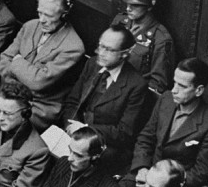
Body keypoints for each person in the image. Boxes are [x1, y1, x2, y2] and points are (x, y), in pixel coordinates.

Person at [121, 57, 208, 187]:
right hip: (147, 173)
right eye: (174, 82)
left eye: (182, 86)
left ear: (199, 90)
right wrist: (142, 168)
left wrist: (162, 183)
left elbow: (201, 171)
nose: (174, 90)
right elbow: (146, 138)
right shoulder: (166, 99)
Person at [59, 24, 148, 167]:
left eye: (109, 49)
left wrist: (85, 131)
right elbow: (73, 102)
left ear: (124, 54)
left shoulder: (136, 85)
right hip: (74, 131)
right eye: (101, 46)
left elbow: (124, 133)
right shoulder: (92, 63)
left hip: (104, 145)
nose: (101, 52)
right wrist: (71, 128)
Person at [0, 0, 85, 130]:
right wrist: (25, 78)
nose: (41, 20)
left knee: (1, 124)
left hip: (38, 107)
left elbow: (39, 83)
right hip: (10, 96)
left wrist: (18, 61)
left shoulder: (73, 46)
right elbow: (4, 59)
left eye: (48, 15)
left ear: (63, 15)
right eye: (40, 12)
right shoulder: (30, 26)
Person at [111, 0, 174, 95]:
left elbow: (157, 84)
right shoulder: (119, 21)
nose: (128, 8)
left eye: (135, 5)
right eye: (127, 3)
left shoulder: (160, 39)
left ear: (150, 6)